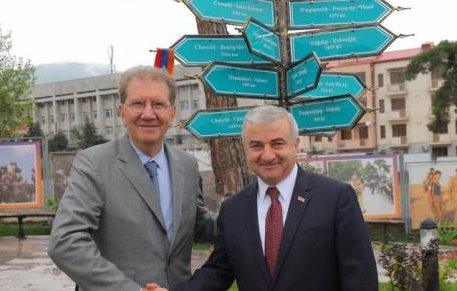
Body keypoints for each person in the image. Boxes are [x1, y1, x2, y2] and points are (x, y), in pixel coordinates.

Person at [152, 105, 378, 291]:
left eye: (277, 143)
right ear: (245, 149)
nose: (267, 155)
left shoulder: (336, 198)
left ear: (296, 145)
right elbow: (217, 271)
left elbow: (360, 279)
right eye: (256, 146)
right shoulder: (233, 209)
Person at [48, 66, 217, 291]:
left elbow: (198, 225)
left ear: (172, 113)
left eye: (158, 104)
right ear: (122, 112)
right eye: (138, 104)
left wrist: (251, 211)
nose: (148, 114)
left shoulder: (187, 165)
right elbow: (65, 242)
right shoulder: (94, 163)